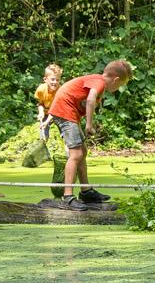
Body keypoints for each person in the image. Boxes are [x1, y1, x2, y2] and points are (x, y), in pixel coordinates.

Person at [48, 60, 133, 204]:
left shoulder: (97, 81)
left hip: (69, 113)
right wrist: (89, 124)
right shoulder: (99, 83)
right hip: (64, 111)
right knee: (76, 154)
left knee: (83, 151)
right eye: (120, 85)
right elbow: (90, 99)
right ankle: (67, 196)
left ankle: (86, 191)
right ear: (116, 79)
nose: (118, 88)